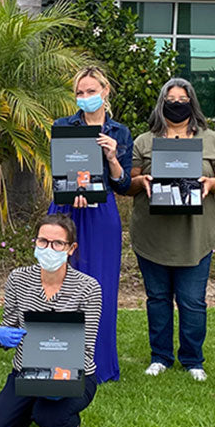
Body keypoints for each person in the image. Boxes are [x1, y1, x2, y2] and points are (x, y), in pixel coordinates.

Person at [126, 77, 215, 381]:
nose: (177, 104)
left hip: (194, 237)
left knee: (192, 301)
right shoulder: (144, 141)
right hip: (153, 235)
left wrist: (212, 183)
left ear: (192, 103)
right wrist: (141, 182)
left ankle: (192, 359)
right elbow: (128, 183)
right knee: (158, 299)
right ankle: (160, 356)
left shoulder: (211, 139)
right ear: (162, 104)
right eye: (171, 99)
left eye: (182, 99)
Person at [0, 217, 101, 427]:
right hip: (26, 373)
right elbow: (8, 324)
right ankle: (26, 411)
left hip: (73, 375)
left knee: (49, 417)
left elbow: (86, 348)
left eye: (57, 244)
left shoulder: (88, 288)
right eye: (43, 241)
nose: (48, 248)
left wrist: (58, 381)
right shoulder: (18, 279)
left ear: (71, 248)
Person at [49, 66, 132, 383]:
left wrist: (112, 158)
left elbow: (123, 186)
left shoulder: (120, 133)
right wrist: (71, 191)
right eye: (80, 93)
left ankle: (98, 365)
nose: (85, 98)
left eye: (91, 91)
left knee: (99, 287)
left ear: (105, 90)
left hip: (101, 215)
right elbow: (60, 172)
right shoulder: (63, 126)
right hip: (65, 209)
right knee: (59, 283)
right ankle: (57, 359)